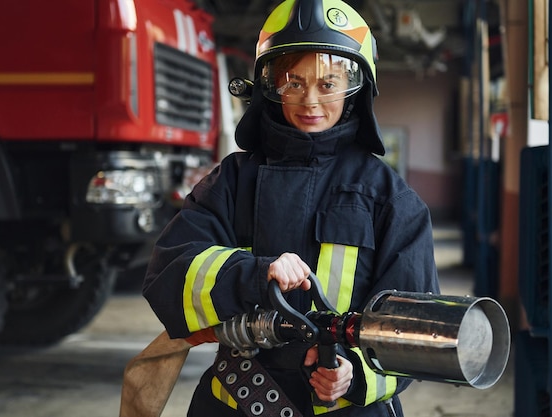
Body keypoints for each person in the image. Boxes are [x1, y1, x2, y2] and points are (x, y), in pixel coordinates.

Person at [142, 0, 440, 416]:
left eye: (328, 83)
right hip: (239, 399)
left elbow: (414, 333)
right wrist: (252, 273)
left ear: (356, 89)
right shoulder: (232, 180)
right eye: (293, 83)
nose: (310, 101)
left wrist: (354, 374)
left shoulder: (391, 199)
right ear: (269, 86)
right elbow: (167, 275)